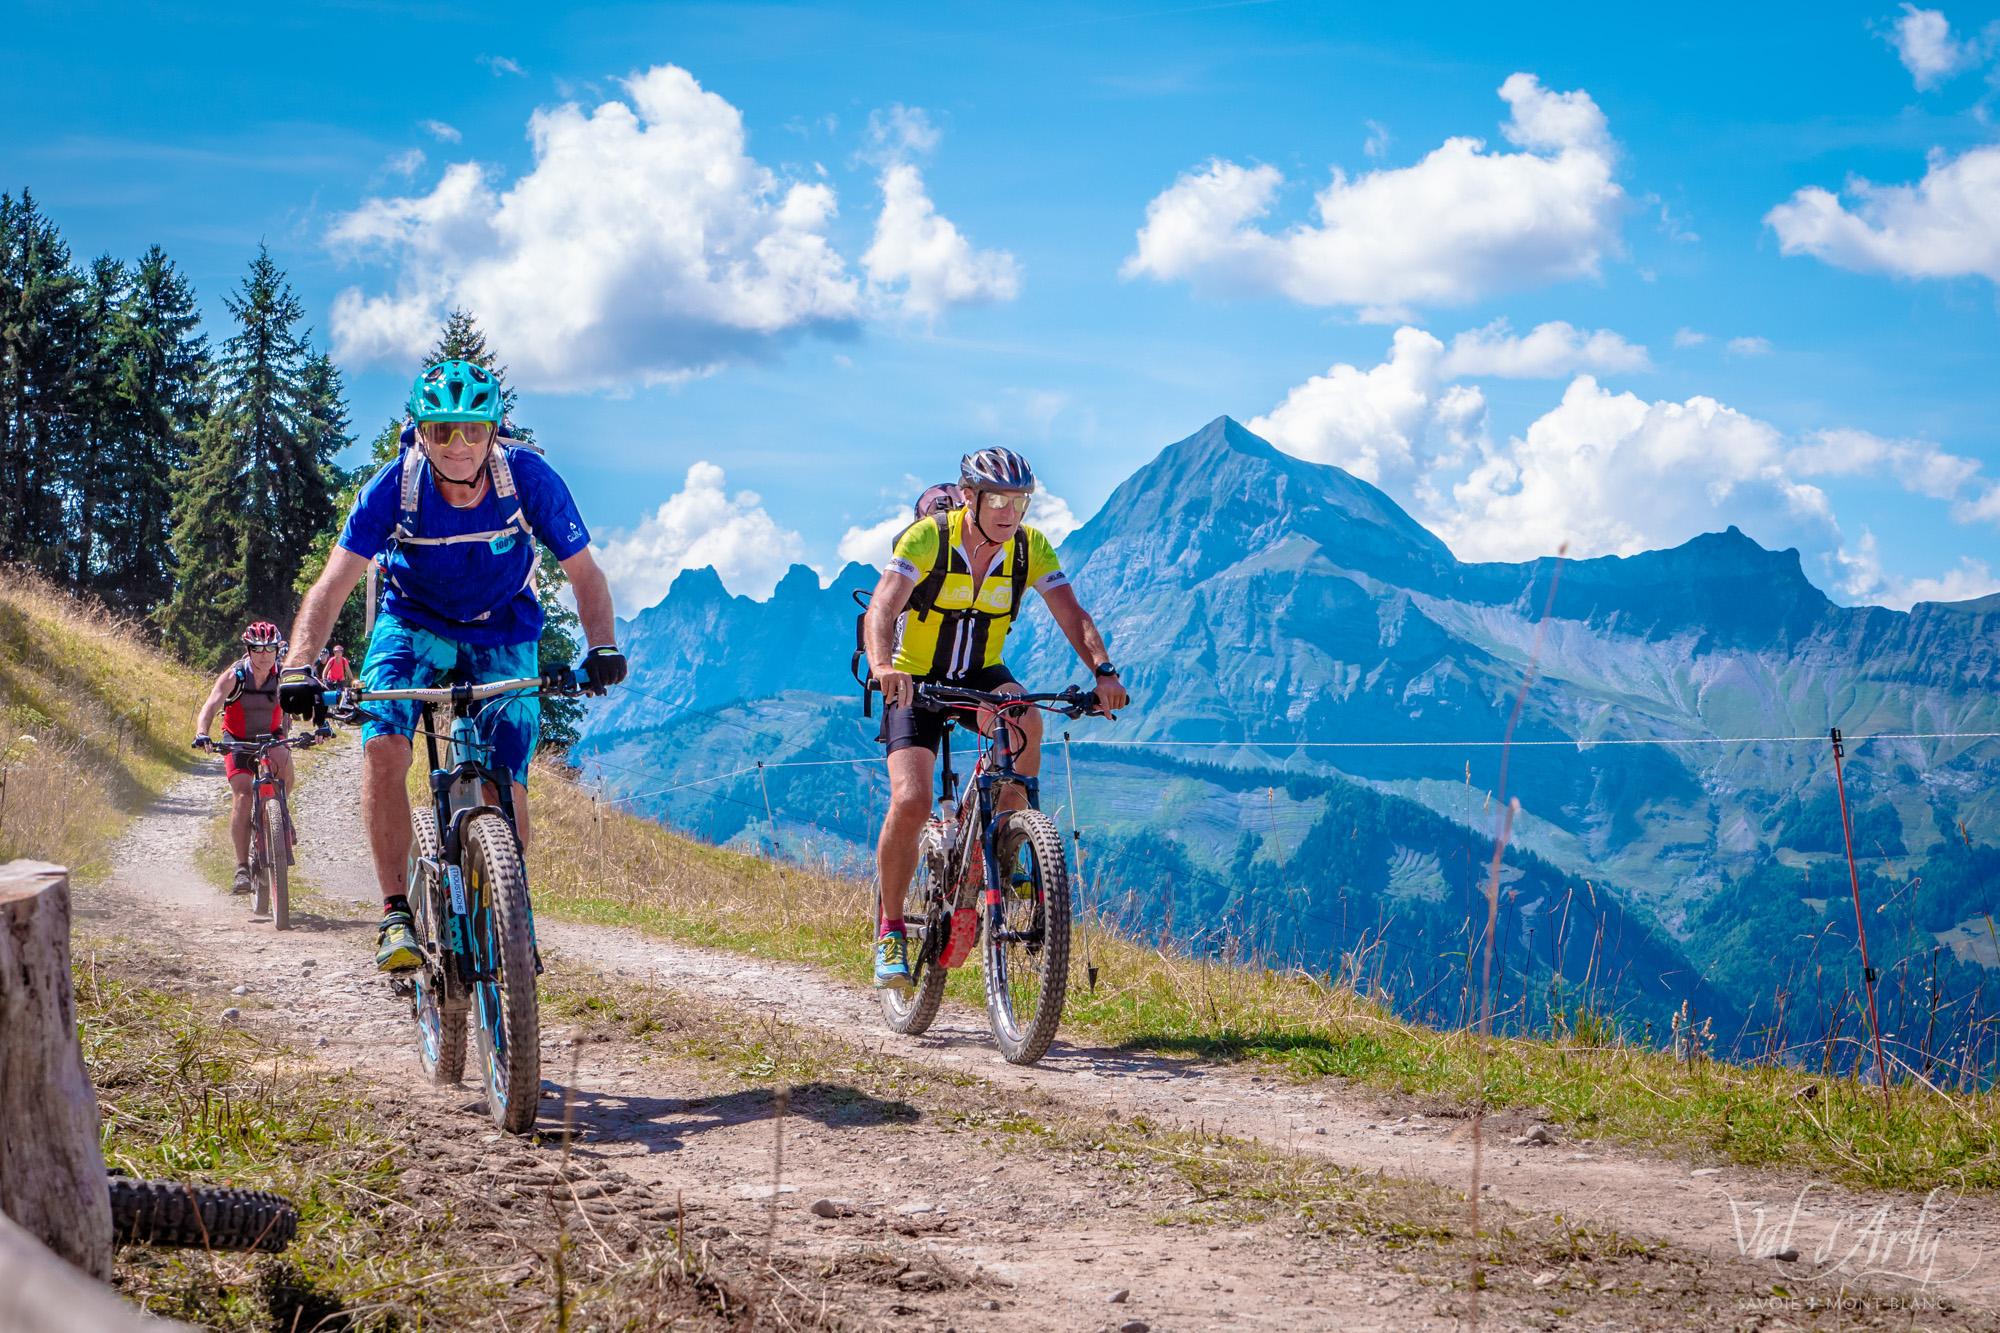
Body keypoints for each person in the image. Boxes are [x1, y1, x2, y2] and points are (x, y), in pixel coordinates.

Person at [277, 359, 625, 972]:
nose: (458, 445)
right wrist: (299, 667)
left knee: (506, 777)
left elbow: (586, 576)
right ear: (420, 432)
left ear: (494, 430)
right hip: (412, 623)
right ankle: (394, 916)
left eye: (471, 429)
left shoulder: (529, 480)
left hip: (504, 624)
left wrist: (601, 647)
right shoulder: (394, 487)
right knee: (384, 747)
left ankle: (510, 920)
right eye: (442, 431)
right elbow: (330, 588)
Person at [861, 447, 1129, 991]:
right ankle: (891, 930)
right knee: (911, 800)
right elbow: (883, 609)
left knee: (1027, 716)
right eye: (999, 500)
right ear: (969, 498)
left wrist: (1103, 671)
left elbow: (1072, 614)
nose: (1010, 512)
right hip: (913, 678)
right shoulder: (929, 538)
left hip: (981, 675)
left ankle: (1006, 848)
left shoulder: (1031, 548)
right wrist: (884, 666)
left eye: (1020, 501)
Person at [192, 622, 296, 895]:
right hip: (237, 739)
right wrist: (202, 732)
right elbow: (212, 705)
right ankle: (241, 868)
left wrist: (322, 725)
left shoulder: (284, 675)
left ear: (277, 650)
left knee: (285, 769)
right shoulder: (234, 676)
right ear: (249, 650)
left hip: (272, 736)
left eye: (269, 649)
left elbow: (312, 696)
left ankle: (279, 815)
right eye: (258, 649)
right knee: (242, 794)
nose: (264, 655)